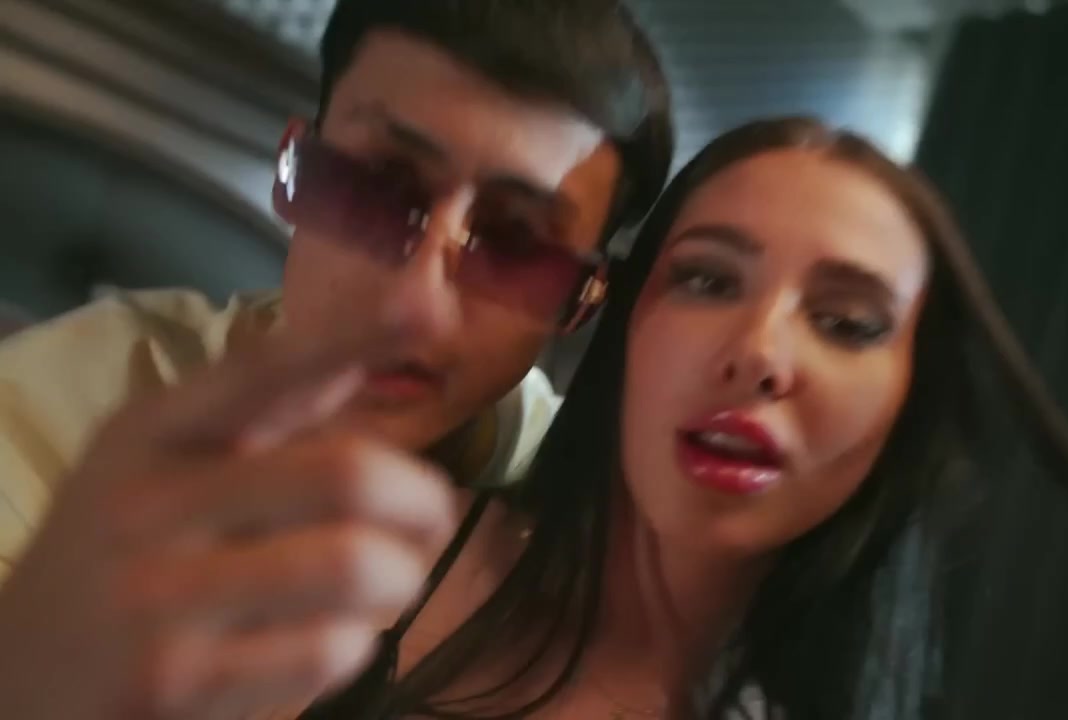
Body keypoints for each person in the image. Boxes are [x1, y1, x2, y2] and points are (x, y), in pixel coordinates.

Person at [290, 117, 1068, 719]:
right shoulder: (351, 573)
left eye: (846, 323)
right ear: (627, 327)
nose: (761, 351)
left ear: (904, 410)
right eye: (707, 279)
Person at [0, 1, 671, 717]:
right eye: (381, 187)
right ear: (292, 166)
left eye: (513, 244)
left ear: (582, 303)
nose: (413, 300)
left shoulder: (571, 483)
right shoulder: (59, 407)